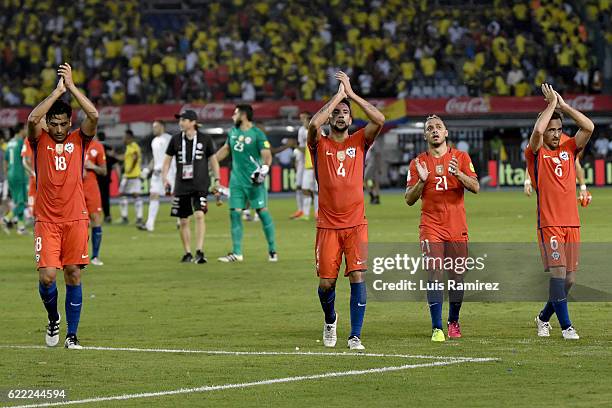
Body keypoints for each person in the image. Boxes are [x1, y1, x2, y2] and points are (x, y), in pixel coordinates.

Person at [308, 71, 385, 351]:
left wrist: (351, 95)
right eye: (337, 112)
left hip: (356, 225)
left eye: (345, 112)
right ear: (331, 117)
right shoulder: (320, 144)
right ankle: (331, 320)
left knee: (357, 276)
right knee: (326, 284)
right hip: (327, 226)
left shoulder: (359, 141)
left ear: (351, 120)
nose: (341, 114)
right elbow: (313, 124)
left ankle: (355, 336)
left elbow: (380, 119)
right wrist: (337, 97)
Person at [27, 63, 99, 349]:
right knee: (47, 277)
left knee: (73, 273)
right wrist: (57, 92)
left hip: (75, 219)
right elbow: (33, 118)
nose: (57, 129)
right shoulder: (38, 139)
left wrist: (72, 88)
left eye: (62, 124)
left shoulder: (79, 140)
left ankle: (72, 334)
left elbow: (93, 114)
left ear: (70, 123)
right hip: (46, 220)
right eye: (53, 124)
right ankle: (53, 317)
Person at [527, 84, 594, 340]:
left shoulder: (568, 148)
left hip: (571, 223)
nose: (555, 134)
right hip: (550, 223)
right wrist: (549, 106)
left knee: (569, 281)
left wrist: (563, 106)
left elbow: (588, 127)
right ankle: (567, 327)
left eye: (559, 129)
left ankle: (543, 317)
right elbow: (537, 131)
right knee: (558, 275)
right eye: (551, 130)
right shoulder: (534, 153)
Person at [405, 115, 479, 342]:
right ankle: (437, 327)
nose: (434, 131)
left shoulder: (461, 157)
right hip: (431, 227)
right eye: (430, 128)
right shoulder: (418, 163)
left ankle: (453, 321)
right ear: (425, 135)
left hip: (457, 226)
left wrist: (458, 174)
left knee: (457, 277)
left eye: (438, 127)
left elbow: (475, 186)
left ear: (446, 132)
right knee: (435, 273)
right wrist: (422, 181)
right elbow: (408, 199)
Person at [215, 104, 278, 262]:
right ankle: (237, 253)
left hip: (253, 181)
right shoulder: (233, 132)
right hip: (236, 180)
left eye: (234, 113)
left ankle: (272, 250)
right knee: (234, 213)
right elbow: (225, 150)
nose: (232, 117)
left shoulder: (257, 134)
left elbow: (267, 155)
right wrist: (210, 160)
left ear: (243, 115)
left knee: (262, 212)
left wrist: (263, 169)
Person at [162, 110, 220, 264]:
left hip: (200, 184)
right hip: (181, 185)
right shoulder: (175, 139)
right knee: (183, 220)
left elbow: (213, 161)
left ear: (193, 122)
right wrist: (165, 179)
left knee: (200, 215)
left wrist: (218, 179)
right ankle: (187, 252)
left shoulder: (205, 139)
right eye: (180, 120)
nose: (181, 122)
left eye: (184, 120)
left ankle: (199, 251)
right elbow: (167, 161)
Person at [524, 135, 591, 206]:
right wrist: (527, 182)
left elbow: (576, 165)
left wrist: (583, 187)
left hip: (565, 188)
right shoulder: (539, 140)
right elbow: (531, 162)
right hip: (546, 189)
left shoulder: (567, 141)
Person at [140, 120, 175, 232]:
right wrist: (147, 169)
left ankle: (180, 219)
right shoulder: (154, 141)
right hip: (156, 173)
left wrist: (167, 168)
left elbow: (171, 156)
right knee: (153, 195)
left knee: (173, 196)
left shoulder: (169, 139)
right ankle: (149, 224)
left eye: (156, 127)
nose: (153, 129)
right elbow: (155, 158)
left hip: (168, 172)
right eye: (153, 127)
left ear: (162, 127)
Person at [83, 135, 107, 265]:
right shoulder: (73, 144)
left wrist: (93, 167)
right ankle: (78, 255)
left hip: (91, 188)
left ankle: (95, 256)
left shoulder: (97, 146)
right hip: (75, 188)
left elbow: (104, 171)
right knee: (77, 222)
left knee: (96, 219)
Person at [5, 123, 28, 234]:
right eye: (25, 128)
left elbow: (5, 161)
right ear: (20, 130)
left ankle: (21, 227)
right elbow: (25, 159)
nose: (26, 130)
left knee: (18, 201)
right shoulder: (20, 142)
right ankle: (7, 218)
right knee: (22, 202)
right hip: (19, 174)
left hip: (10, 174)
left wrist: (7, 175)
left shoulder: (9, 143)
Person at [117, 129, 143, 226]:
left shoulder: (133, 146)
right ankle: (129, 217)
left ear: (129, 138)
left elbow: (136, 157)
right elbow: (125, 158)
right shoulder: (129, 147)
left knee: (133, 195)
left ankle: (133, 218)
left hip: (132, 176)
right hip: (129, 176)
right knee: (125, 195)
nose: (123, 139)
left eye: (124, 137)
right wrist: (114, 155)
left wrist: (131, 168)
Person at [290, 113, 309, 219]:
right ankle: (300, 210)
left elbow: (306, 149)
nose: (302, 120)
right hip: (302, 162)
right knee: (299, 187)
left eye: (304, 118)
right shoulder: (301, 130)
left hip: (312, 164)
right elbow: (302, 148)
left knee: (312, 189)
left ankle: (316, 211)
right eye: (301, 118)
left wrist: (294, 146)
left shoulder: (316, 129)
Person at [96, 132, 115, 223]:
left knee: (97, 197)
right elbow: (114, 161)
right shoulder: (109, 148)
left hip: (97, 177)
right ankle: (107, 215)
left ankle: (96, 216)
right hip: (107, 177)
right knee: (106, 197)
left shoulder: (96, 147)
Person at [364, 138, 383, 204]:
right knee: (372, 181)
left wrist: (379, 167)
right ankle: (375, 197)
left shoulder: (374, 143)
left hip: (372, 165)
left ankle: (373, 195)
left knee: (366, 179)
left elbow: (378, 155)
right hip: (369, 164)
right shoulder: (368, 143)